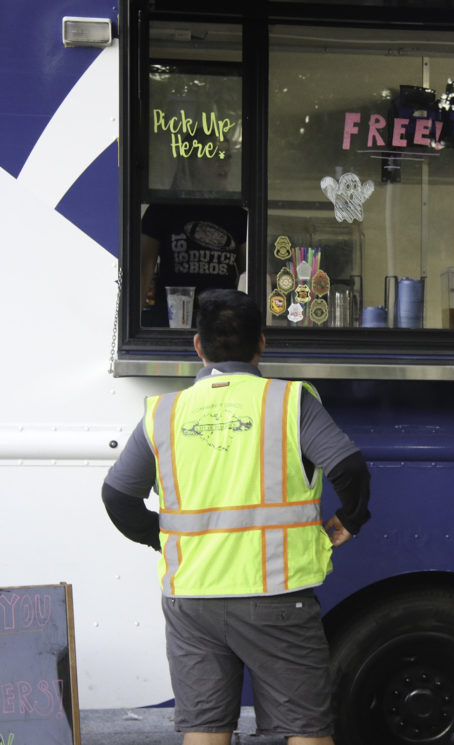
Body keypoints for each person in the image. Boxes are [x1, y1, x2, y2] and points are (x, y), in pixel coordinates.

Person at [102, 289, 371, 745]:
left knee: (205, 729)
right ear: (261, 343)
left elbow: (117, 497)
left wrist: (162, 538)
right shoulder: (288, 403)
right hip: (277, 596)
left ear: (198, 345)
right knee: (306, 731)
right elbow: (349, 469)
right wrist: (350, 519)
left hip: (192, 599)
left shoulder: (164, 413)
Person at [141, 146, 248, 327]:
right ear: (189, 163)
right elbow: (143, 268)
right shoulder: (162, 209)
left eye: (227, 156)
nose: (223, 163)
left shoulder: (238, 215)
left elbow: (250, 275)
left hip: (222, 324)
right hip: (172, 321)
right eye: (213, 155)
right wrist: (134, 327)